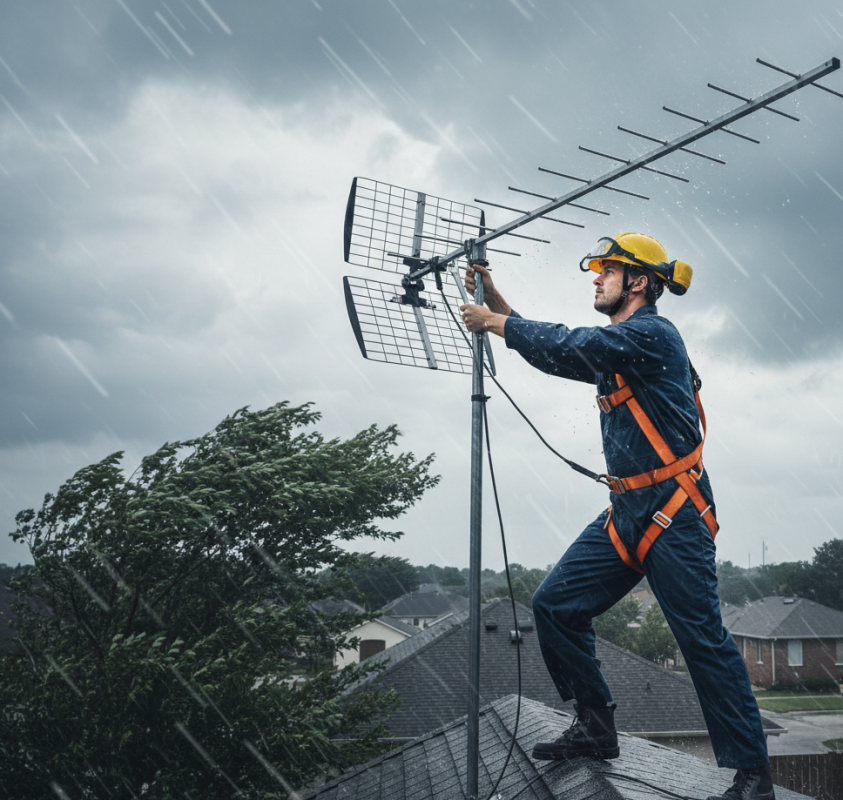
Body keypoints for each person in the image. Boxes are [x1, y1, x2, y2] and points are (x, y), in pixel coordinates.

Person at [460, 233, 774, 800]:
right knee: (554, 605)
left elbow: (571, 342)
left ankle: (753, 774)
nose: (596, 278)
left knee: (701, 639)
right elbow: (556, 349)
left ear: (639, 281)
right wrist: (496, 301)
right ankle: (596, 726)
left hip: (674, 517)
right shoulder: (620, 346)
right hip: (626, 512)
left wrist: (490, 322)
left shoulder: (652, 335)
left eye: (606, 270)